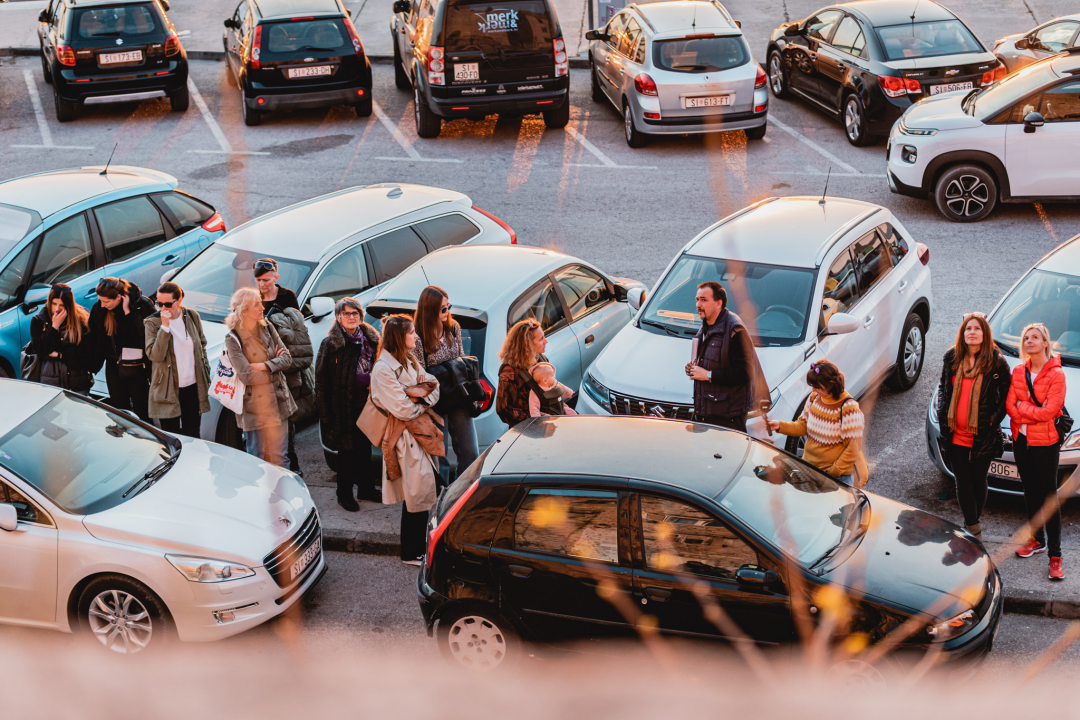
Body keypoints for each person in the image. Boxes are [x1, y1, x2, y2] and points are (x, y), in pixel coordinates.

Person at [370, 315, 442, 566]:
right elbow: (402, 409)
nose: (416, 337)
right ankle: (411, 552)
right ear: (400, 337)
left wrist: (416, 397)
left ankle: (416, 548)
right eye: (412, 333)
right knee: (417, 492)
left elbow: (434, 385)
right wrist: (420, 397)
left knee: (421, 492)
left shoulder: (409, 360)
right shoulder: (383, 369)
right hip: (403, 437)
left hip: (418, 433)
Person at [934, 313, 1011, 541]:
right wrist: (942, 412)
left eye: (977, 329)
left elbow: (1008, 393)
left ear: (984, 333)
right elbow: (942, 388)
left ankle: (970, 523)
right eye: (968, 329)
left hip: (982, 434)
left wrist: (992, 420)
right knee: (962, 482)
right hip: (956, 432)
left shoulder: (995, 360)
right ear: (963, 333)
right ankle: (973, 528)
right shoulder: (952, 357)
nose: (972, 332)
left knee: (978, 480)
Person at [1007, 322, 1067, 580]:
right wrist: (1029, 412)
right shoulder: (1019, 371)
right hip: (1022, 441)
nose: (1029, 341)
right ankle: (1037, 540)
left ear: (1046, 343)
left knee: (1048, 497)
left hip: (1046, 444)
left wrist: (1025, 410)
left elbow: (1050, 412)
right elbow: (1011, 405)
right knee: (1030, 492)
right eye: (1026, 338)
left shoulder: (1057, 375)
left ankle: (1055, 556)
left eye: (1035, 337)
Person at [315, 297, 382, 511]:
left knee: (364, 449)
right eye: (346, 314)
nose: (351, 317)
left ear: (360, 316)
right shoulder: (331, 343)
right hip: (341, 407)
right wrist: (325, 415)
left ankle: (366, 489)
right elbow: (321, 380)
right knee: (346, 453)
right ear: (338, 317)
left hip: (367, 404)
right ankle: (344, 494)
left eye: (355, 313)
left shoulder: (371, 340)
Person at [223, 287, 297, 467]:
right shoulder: (233, 338)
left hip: (278, 402)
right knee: (257, 458)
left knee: (281, 457)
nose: (262, 308)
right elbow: (247, 377)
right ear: (244, 310)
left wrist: (264, 366)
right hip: (253, 408)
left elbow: (287, 359)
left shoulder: (267, 326)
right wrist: (274, 367)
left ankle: (282, 494)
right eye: (257, 305)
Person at [413, 286, 479, 483]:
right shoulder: (417, 337)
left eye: (448, 306)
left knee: (470, 452)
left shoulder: (453, 328)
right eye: (442, 309)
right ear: (429, 309)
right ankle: (440, 504)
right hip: (435, 402)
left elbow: (459, 358)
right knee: (438, 459)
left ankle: (460, 495)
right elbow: (420, 375)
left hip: (458, 395)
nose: (447, 311)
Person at [769, 360, 869, 487]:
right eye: (812, 385)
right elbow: (802, 426)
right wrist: (779, 425)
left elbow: (853, 449)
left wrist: (833, 472)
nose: (813, 389)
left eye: (818, 387)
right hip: (809, 470)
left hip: (835, 479)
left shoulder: (849, 408)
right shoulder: (814, 398)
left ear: (831, 384)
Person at [685, 281, 767, 432]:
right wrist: (692, 369)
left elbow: (745, 372)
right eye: (697, 299)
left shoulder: (735, 330)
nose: (698, 305)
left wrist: (708, 375)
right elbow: (708, 362)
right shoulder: (706, 325)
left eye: (704, 300)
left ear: (718, 303)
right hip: (704, 412)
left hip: (727, 419)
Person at [258, 259, 313, 475]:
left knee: (287, 414)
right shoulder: (254, 297)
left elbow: (298, 328)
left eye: (267, 280)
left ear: (276, 278)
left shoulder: (287, 296)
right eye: (259, 280)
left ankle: (291, 459)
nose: (263, 284)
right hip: (265, 362)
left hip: (285, 362)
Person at [144, 282, 211, 437]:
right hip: (167, 388)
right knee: (170, 436)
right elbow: (155, 355)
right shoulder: (152, 323)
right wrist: (165, 327)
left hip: (192, 387)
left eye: (168, 304)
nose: (163, 308)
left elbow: (202, 343)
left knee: (193, 433)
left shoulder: (192, 316)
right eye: (159, 304)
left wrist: (205, 367)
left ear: (179, 300)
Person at [89, 277, 155, 421]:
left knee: (142, 409)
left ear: (119, 297)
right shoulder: (99, 309)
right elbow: (95, 339)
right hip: (113, 363)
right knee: (119, 408)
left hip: (137, 364)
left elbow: (145, 338)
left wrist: (128, 313)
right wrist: (91, 365)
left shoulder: (141, 306)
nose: (102, 305)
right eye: (100, 300)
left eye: (106, 301)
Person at [496, 318, 572, 428]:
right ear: (528, 345)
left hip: (552, 424)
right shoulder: (509, 371)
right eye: (541, 339)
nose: (546, 341)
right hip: (529, 430)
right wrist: (537, 419)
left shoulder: (541, 358)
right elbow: (504, 410)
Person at [27, 283, 93, 393]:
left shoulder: (81, 320)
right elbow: (40, 350)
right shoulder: (39, 320)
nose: (57, 309)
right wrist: (54, 327)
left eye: (61, 305)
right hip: (50, 379)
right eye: (54, 304)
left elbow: (84, 354)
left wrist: (60, 355)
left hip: (76, 380)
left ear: (68, 305)